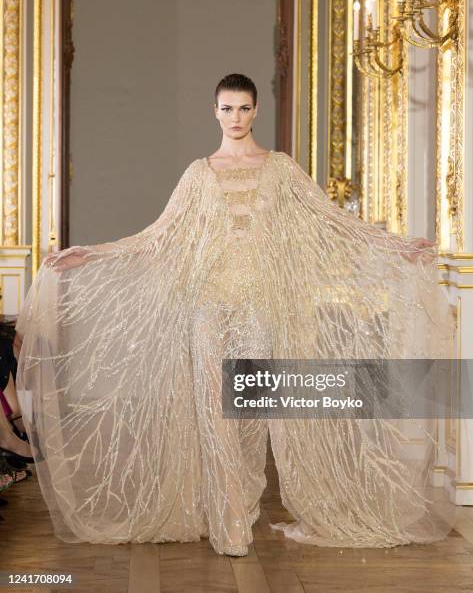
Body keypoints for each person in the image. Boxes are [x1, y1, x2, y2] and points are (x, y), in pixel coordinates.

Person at [15, 73, 455, 557]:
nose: (236, 118)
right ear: (215, 112)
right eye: (227, 109)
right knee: (211, 410)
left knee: (249, 412)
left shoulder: (281, 169)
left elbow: (334, 221)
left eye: (244, 108)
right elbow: (158, 236)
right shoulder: (199, 173)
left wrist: (396, 246)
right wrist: (91, 256)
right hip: (207, 304)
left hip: (261, 305)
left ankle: (242, 505)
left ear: (256, 111)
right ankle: (229, 526)